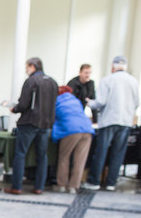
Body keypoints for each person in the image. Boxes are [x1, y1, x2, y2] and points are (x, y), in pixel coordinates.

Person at [83, 56, 140, 191]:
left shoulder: (107, 80)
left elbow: (101, 102)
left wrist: (89, 102)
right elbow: (137, 102)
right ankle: (111, 182)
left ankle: (94, 181)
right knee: (118, 152)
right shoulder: (133, 81)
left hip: (109, 120)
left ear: (112, 67)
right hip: (125, 121)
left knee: (101, 151)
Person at [4, 57, 58, 195]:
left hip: (29, 123)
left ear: (32, 66)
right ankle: (39, 187)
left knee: (20, 154)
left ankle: (17, 187)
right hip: (46, 124)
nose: (26, 70)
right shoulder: (53, 82)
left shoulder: (31, 81)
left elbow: (23, 104)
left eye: (27, 67)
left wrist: (13, 109)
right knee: (42, 156)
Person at [51, 86, 94, 193]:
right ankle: (73, 187)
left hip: (70, 130)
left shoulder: (56, 101)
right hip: (87, 129)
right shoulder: (76, 100)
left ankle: (61, 185)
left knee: (64, 157)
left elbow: (52, 118)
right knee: (80, 160)